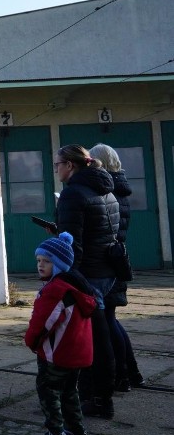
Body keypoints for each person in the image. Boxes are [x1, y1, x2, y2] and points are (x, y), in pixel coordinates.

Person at [54, 144, 118, 419]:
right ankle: (96, 395)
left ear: (70, 165)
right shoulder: (107, 190)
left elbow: (73, 246)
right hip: (106, 270)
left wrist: (69, 279)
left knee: (93, 339)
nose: (55, 169)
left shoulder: (72, 194)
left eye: (57, 164)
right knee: (99, 335)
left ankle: (99, 398)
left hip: (87, 275)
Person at [25, 232, 97, 435]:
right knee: (69, 391)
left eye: (47, 261)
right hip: (76, 352)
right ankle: (77, 429)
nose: (41, 265)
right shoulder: (78, 286)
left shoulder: (56, 290)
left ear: (59, 264)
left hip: (56, 353)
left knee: (48, 391)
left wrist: (32, 341)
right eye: (39, 260)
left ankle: (57, 433)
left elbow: (44, 322)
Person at [88, 143, 145, 391]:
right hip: (115, 260)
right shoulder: (120, 188)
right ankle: (131, 373)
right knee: (111, 320)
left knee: (108, 322)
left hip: (105, 263)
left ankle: (122, 376)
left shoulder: (106, 190)